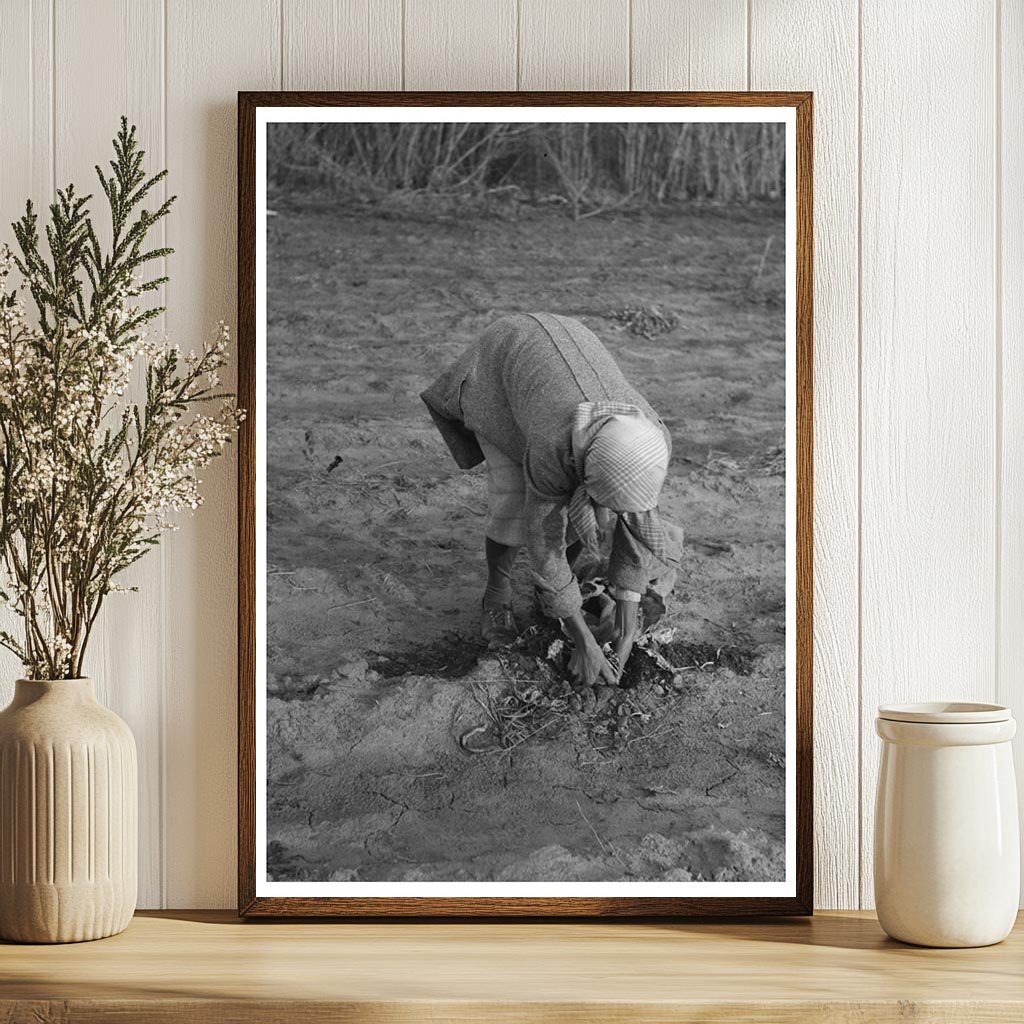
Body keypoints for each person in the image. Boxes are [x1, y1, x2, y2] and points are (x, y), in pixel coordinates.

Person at [421, 312, 681, 687]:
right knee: (513, 505)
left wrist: (626, 630)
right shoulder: (551, 445)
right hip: (501, 369)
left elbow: (635, 528)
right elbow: (544, 539)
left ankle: (556, 598)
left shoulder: (654, 440)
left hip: (568, 358)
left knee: (584, 523)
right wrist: (585, 643)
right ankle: (496, 595)